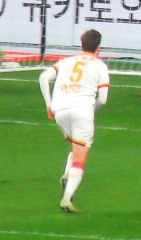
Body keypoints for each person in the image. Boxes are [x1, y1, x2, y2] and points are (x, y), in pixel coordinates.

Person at [38, 29, 109, 214]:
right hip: (82, 111)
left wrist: (49, 105)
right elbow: (103, 99)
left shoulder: (67, 61)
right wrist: (90, 110)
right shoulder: (100, 65)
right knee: (80, 157)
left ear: (81, 44)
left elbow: (43, 77)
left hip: (60, 111)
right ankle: (66, 198)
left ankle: (68, 174)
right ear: (98, 48)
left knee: (75, 148)